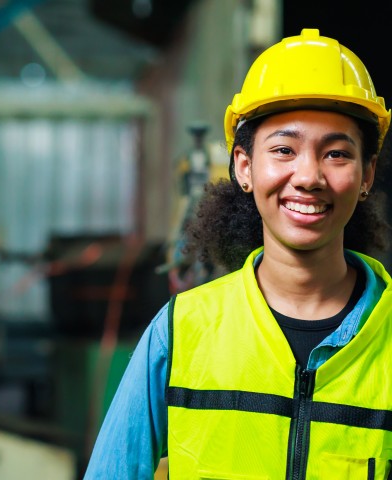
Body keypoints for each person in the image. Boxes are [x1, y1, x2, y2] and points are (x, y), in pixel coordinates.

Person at [83, 28, 392, 479]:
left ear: (366, 175)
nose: (308, 176)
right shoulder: (181, 331)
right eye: (284, 150)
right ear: (245, 168)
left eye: (336, 154)